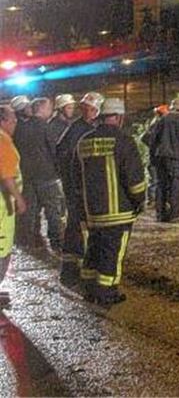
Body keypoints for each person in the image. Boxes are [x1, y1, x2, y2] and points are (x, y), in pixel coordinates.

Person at [71, 98, 145, 306]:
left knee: (94, 249)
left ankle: (89, 289)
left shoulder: (84, 141)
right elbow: (134, 178)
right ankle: (106, 293)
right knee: (112, 253)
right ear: (120, 118)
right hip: (118, 212)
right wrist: (139, 201)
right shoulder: (123, 140)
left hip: (93, 211)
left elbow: (75, 177)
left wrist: (81, 207)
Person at [54, 91, 104, 288]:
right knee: (77, 226)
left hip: (80, 186)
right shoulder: (79, 130)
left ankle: (75, 269)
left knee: (79, 226)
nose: (90, 112)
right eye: (88, 108)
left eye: (92, 109)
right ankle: (74, 271)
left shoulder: (84, 128)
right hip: (77, 188)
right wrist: (74, 184)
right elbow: (66, 157)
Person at [13, 97, 65, 253]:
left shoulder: (19, 129)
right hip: (47, 176)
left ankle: (30, 240)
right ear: (41, 109)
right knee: (53, 211)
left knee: (31, 210)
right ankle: (56, 242)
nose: (51, 111)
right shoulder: (46, 127)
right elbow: (55, 151)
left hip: (27, 176)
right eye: (49, 108)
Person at [0, 105, 27, 309]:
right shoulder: (3, 141)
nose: (16, 123)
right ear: (3, 121)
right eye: (13, 120)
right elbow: (7, 175)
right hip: (3, 204)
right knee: (2, 247)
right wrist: (18, 198)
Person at [152, 98, 179, 222]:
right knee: (175, 185)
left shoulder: (163, 119)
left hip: (160, 157)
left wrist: (153, 157)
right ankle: (175, 215)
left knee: (161, 185)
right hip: (174, 156)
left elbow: (153, 138)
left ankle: (160, 214)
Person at [140, 105, 169, 206]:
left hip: (156, 157)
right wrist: (155, 146)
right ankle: (152, 200)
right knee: (155, 179)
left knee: (155, 179)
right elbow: (145, 138)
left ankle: (154, 200)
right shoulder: (157, 124)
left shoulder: (156, 124)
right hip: (156, 157)